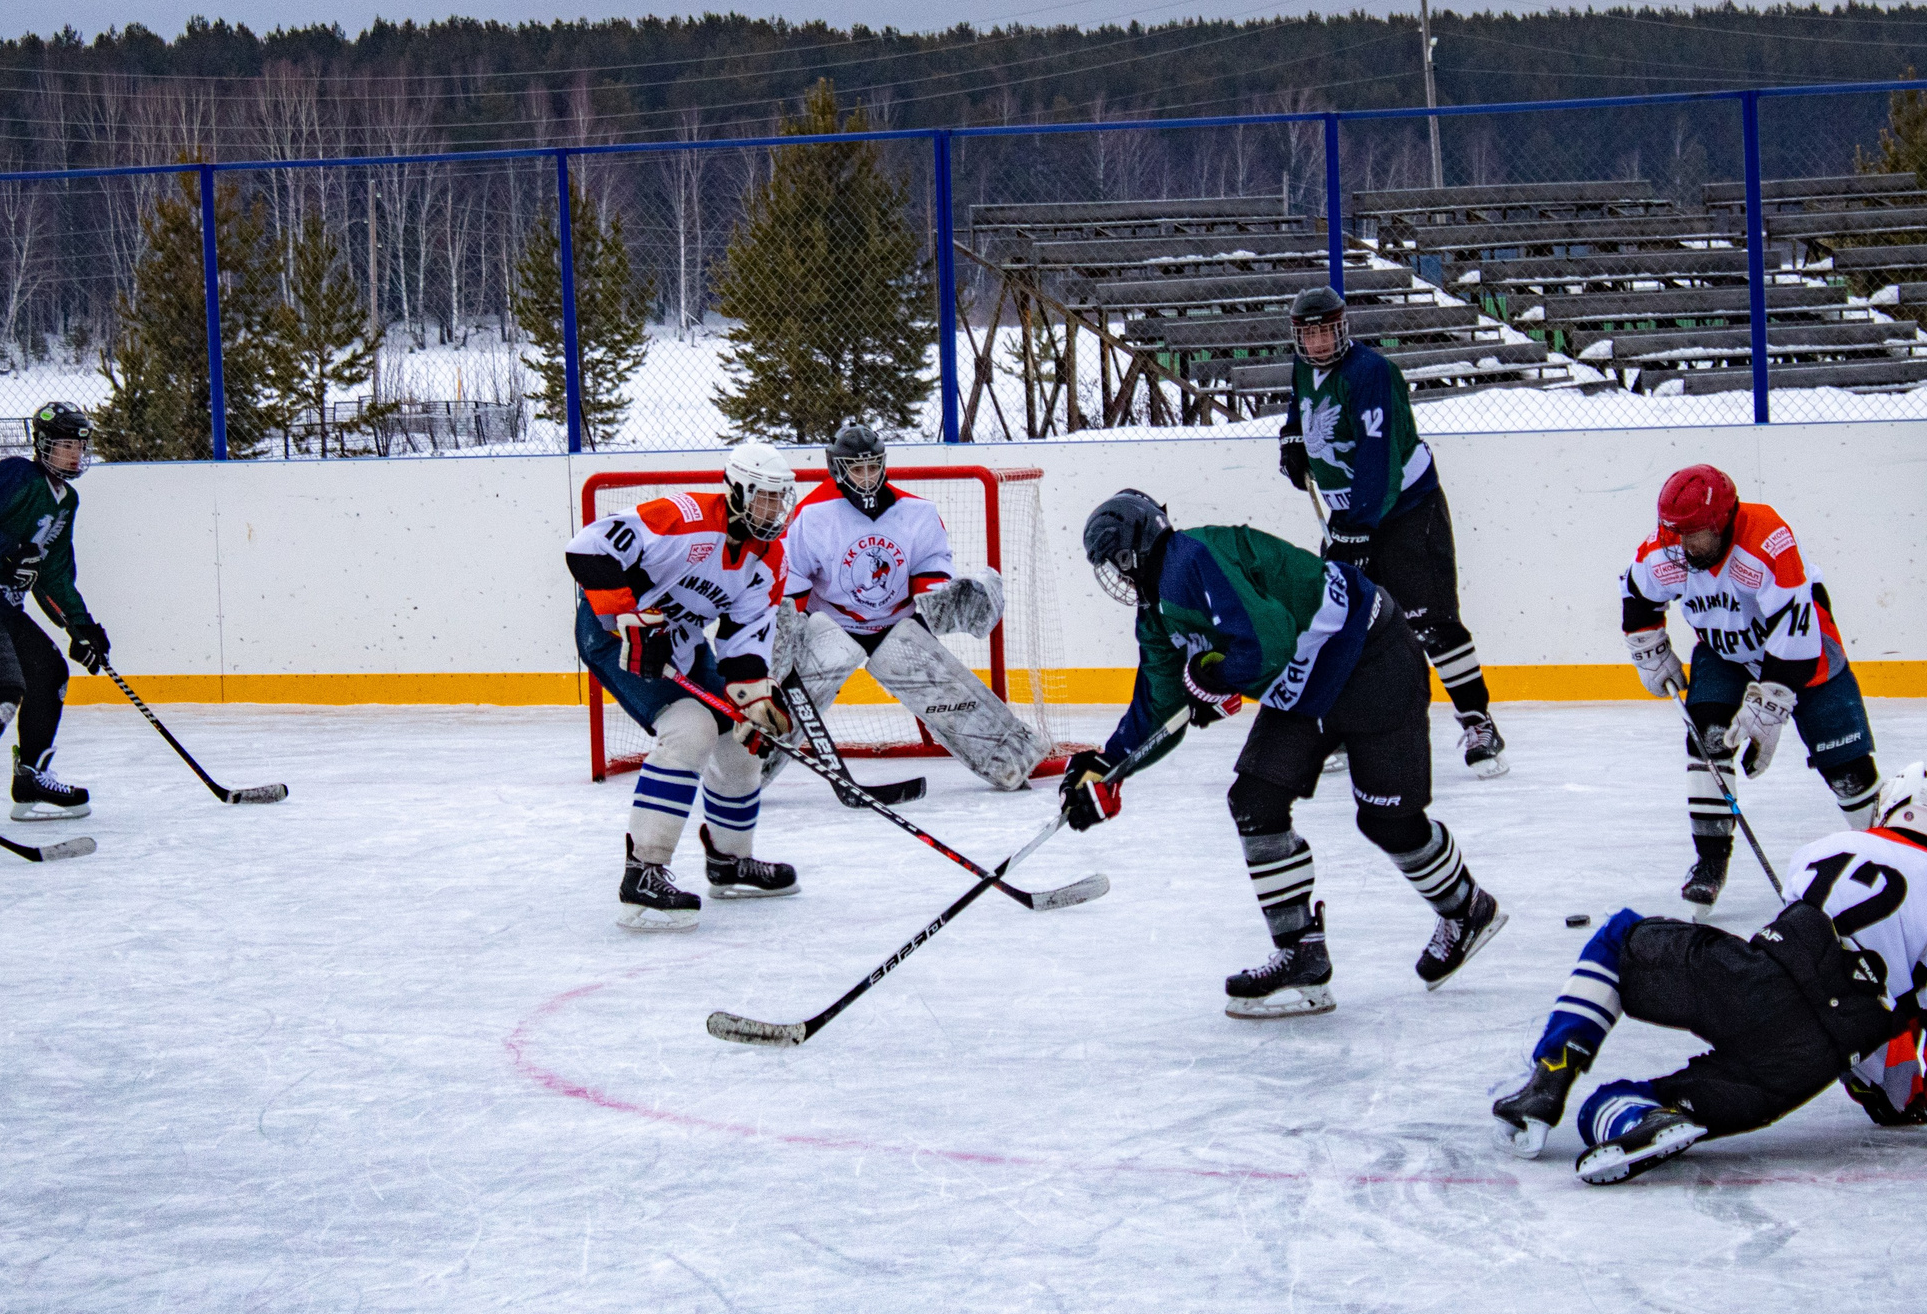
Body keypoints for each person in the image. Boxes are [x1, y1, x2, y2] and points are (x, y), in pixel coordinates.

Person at [1062, 490, 1504, 1018]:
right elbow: (1161, 700)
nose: (1114, 572)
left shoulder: (1191, 559)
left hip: (1372, 656)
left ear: (1139, 544)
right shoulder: (1155, 611)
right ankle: (1300, 955)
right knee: (1254, 801)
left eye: (1117, 559)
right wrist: (1111, 765)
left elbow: (1265, 641)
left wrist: (1215, 678)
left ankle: (1467, 908)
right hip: (1308, 684)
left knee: (1389, 821)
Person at [1491, 762, 1927, 1185]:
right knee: (1892, 1005)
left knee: (1620, 938)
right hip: (1806, 1061)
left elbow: (1808, 952)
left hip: (1754, 982)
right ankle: (1651, 1113)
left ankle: (1548, 1080)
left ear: (1886, 807)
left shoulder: (1824, 849)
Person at [1623, 464, 1881, 910]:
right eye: (1675, 532)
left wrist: (1772, 704)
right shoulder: (1667, 550)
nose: (1682, 546)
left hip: (1804, 653)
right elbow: (1636, 594)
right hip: (1726, 651)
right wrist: (1650, 646)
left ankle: (1889, 856)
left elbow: (1795, 635)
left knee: (1847, 769)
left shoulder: (1765, 538)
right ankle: (1709, 862)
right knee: (1706, 737)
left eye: (1694, 534)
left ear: (1722, 521)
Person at [568, 441, 803, 930]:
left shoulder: (770, 560)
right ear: (736, 490)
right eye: (762, 497)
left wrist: (754, 698)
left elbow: (744, 641)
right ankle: (644, 872)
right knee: (691, 730)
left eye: (780, 499)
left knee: (741, 738)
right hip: (613, 631)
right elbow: (588, 549)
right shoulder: (684, 516)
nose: (773, 510)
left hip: (680, 640)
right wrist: (630, 616)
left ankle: (730, 861)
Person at [1278, 285, 1507, 777]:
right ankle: (1341, 726)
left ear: (1343, 329)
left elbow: (1378, 461)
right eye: (1308, 333)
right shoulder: (1303, 366)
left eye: (1325, 332)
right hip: (1350, 516)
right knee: (1336, 623)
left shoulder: (1371, 373)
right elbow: (1300, 404)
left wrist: (1359, 530)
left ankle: (1478, 722)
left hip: (1405, 511)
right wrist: (1292, 438)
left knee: (1431, 621)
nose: (1317, 343)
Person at [781, 419, 1045, 790]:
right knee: (794, 693)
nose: (867, 476)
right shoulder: (812, 514)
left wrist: (941, 596)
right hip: (835, 625)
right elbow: (791, 582)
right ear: (838, 469)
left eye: (873, 466)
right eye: (857, 468)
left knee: (937, 687)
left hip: (896, 624)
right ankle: (743, 771)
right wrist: (787, 642)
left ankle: (1009, 758)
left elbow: (930, 566)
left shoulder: (916, 511)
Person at [0, 401, 110, 841]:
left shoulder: (67, 500)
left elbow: (52, 573)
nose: (74, 454)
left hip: (4, 603)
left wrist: (80, 626)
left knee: (49, 674)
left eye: (79, 446)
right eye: (65, 445)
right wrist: (7, 550)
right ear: (44, 444)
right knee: (2, 691)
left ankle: (30, 780)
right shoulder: (16, 474)